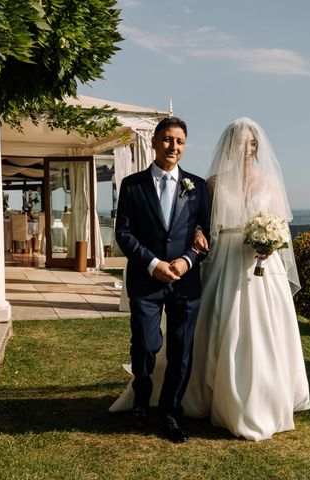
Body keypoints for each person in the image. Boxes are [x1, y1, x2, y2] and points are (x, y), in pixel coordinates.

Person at [182, 117, 310, 441]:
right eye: (240, 142)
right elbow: (199, 223)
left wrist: (272, 244)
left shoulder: (270, 182)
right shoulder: (213, 183)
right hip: (224, 257)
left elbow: (279, 225)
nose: (247, 148)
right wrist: (198, 232)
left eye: (252, 143)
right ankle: (214, 395)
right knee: (219, 322)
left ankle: (264, 398)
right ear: (229, 146)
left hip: (259, 263)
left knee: (262, 328)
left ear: (257, 147)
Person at [114, 116, 211, 443]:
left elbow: (206, 234)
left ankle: (170, 412)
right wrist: (153, 264)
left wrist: (187, 261)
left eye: (180, 141)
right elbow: (123, 233)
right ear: (155, 143)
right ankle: (142, 400)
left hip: (185, 284)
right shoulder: (132, 185)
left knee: (182, 350)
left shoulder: (197, 187)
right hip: (146, 281)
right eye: (168, 140)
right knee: (145, 345)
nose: (174, 147)